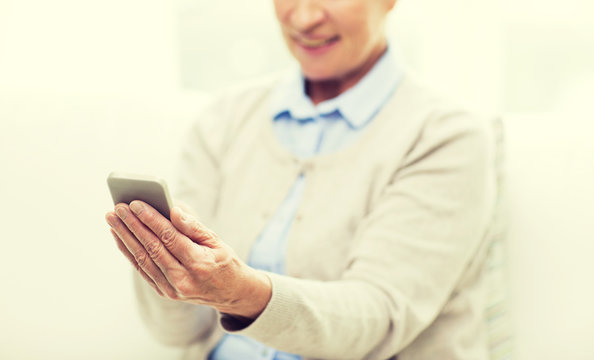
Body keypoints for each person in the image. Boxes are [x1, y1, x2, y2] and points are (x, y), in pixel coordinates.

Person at [105, 0, 504, 359]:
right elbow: (176, 333)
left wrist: (243, 294)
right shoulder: (225, 119)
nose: (305, 17)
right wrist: (162, 264)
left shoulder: (445, 135)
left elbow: (375, 318)